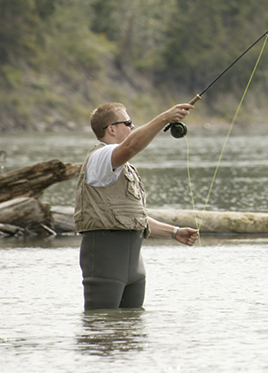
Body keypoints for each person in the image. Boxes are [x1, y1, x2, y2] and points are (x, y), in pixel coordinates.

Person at [74, 102, 200, 311]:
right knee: (100, 332)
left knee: (132, 333)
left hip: (134, 269)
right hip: (105, 262)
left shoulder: (123, 166)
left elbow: (131, 216)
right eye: (128, 122)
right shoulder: (101, 157)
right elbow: (131, 147)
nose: (132, 127)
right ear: (111, 129)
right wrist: (164, 118)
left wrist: (174, 232)